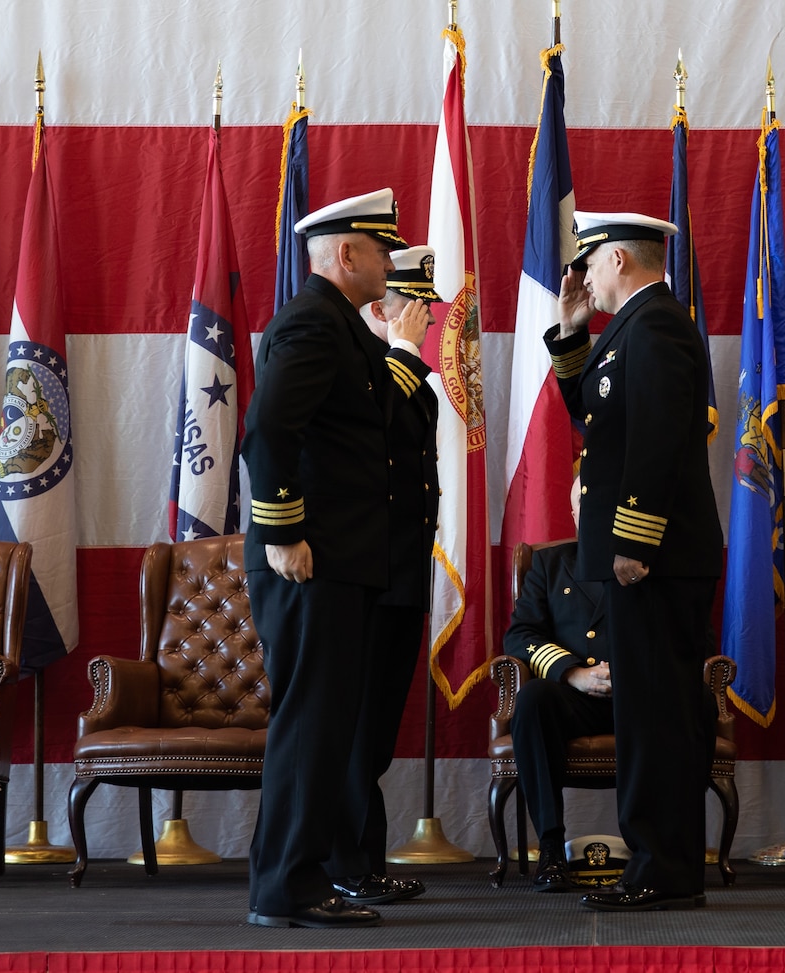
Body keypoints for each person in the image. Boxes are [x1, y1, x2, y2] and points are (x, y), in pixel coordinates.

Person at [241, 187, 412, 929]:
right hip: (309, 561)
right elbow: (269, 428)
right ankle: (286, 885)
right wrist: (282, 532)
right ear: (346, 254)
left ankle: (297, 876)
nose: (390, 262)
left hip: (338, 561)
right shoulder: (315, 322)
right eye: (381, 249)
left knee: (324, 725)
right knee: (311, 724)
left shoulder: (339, 325)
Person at [545, 211, 723, 912]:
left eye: (588, 263)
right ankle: (660, 862)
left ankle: (662, 865)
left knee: (659, 715)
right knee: (650, 712)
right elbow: (596, 411)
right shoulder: (632, 328)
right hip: (648, 552)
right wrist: (569, 330)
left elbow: (653, 439)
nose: (582, 276)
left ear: (617, 259)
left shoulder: (658, 326)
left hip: (656, 555)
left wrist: (634, 540)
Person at [325, 247, 442, 904]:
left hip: (400, 579)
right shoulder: (368, 378)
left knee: (374, 740)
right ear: (380, 309)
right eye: (416, 306)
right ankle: (349, 866)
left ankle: (362, 864)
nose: (427, 318)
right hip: (368, 580)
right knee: (357, 736)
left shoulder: (403, 379)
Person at [504, 472, 613, 893]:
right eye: (586, 503)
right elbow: (521, 634)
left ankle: (660, 850)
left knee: (690, 698)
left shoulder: (648, 564)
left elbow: (684, 634)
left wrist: (636, 669)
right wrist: (574, 674)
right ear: (574, 512)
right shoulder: (548, 565)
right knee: (532, 699)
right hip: (573, 699)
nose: (595, 511)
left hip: (637, 696)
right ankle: (550, 848)